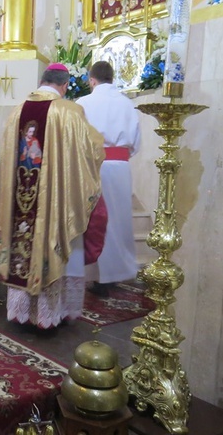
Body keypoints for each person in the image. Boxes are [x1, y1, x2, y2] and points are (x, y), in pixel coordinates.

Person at [0, 63, 108, 329]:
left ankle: (20, 312)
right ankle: (51, 314)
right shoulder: (70, 111)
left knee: (23, 237)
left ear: (42, 80)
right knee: (55, 238)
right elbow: (92, 151)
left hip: (20, 202)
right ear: (64, 85)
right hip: (52, 204)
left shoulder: (17, 112)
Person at [76, 61, 141, 294]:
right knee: (118, 219)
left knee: (94, 220)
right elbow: (135, 141)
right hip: (121, 166)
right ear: (112, 79)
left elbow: (77, 137)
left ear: (92, 80)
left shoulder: (83, 102)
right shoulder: (127, 103)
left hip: (92, 166)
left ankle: (94, 274)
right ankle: (116, 273)